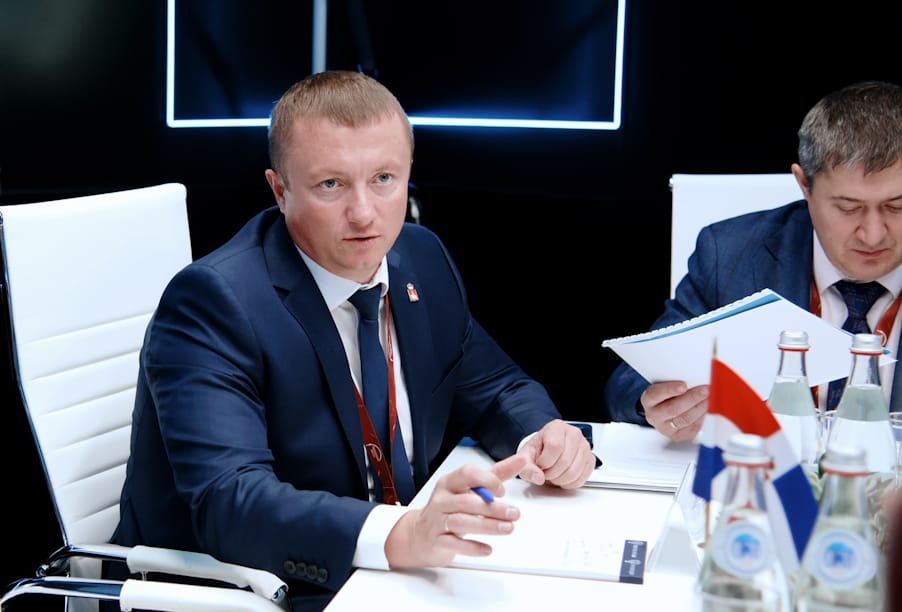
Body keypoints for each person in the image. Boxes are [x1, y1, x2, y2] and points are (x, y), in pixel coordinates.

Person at [109, 70, 597, 611]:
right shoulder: (214, 301)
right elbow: (231, 501)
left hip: (400, 576)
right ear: (279, 190)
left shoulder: (421, 258)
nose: (364, 213)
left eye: (384, 178)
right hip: (258, 591)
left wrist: (545, 436)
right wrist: (398, 534)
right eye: (330, 185)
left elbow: (497, 387)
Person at [604, 80, 902, 442]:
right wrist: (658, 405)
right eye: (848, 208)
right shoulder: (732, 254)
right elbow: (631, 382)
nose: (873, 235)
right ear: (804, 185)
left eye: (897, 206)